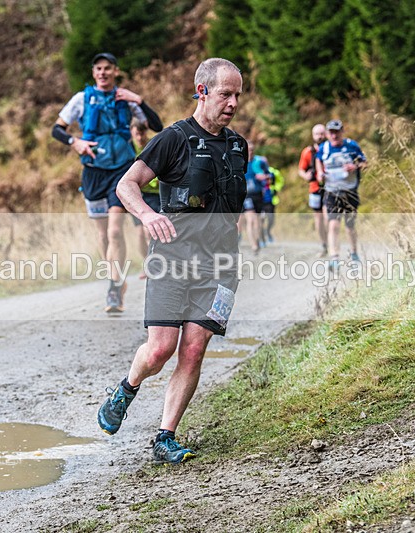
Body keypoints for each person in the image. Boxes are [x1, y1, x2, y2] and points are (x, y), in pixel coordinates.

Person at [97, 58, 247, 464]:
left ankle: (165, 436)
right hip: (173, 261)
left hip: (220, 266)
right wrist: (147, 214)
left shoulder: (238, 145)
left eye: (237, 94)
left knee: (194, 349)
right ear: (202, 91)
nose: (233, 103)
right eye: (225, 94)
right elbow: (126, 184)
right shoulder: (173, 139)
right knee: (161, 349)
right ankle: (127, 388)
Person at [51, 52, 162, 312]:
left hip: (121, 171)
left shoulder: (125, 99)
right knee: (103, 235)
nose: (103, 73)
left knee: (114, 231)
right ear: (93, 73)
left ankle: (114, 287)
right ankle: (115, 278)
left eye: (108, 68)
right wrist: (74, 142)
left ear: (115, 71)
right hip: (93, 171)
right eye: (98, 68)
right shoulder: (81, 99)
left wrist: (139, 100)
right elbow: (57, 129)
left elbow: (156, 125)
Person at [314, 119, 367, 269]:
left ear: (342, 131)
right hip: (331, 191)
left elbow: (364, 162)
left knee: (350, 226)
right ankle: (334, 257)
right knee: (333, 225)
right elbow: (318, 160)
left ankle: (354, 253)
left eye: (336, 132)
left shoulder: (351, 145)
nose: (334, 135)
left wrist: (354, 166)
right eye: (331, 132)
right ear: (327, 134)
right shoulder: (323, 148)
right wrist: (319, 173)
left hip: (350, 191)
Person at [129, 120, 162, 279]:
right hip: (136, 195)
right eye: (137, 134)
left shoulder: (152, 146)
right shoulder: (128, 149)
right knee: (140, 234)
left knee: (149, 231)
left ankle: (156, 264)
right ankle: (147, 263)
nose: (140, 138)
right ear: (132, 134)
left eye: (142, 134)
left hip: (153, 194)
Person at [298, 123, 328, 257]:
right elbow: (301, 170)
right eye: (317, 134)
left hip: (329, 188)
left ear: (326, 134)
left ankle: (331, 243)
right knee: (319, 220)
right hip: (314, 188)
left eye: (322, 133)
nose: (320, 136)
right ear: (313, 135)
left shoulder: (330, 149)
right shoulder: (307, 152)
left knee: (328, 217)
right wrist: (306, 176)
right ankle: (324, 245)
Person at [239, 142, 271, 254]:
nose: (250, 152)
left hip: (258, 194)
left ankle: (257, 241)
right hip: (246, 195)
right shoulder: (239, 162)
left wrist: (265, 177)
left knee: (258, 220)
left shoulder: (260, 162)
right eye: (248, 150)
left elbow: (270, 175)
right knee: (251, 219)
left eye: (252, 150)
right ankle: (253, 245)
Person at [260, 164, 284, 244]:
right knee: (261, 220)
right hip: (260, 201)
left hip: (270, 200)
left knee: (271, 219)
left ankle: (268, 232)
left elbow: (280, 181)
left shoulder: (273, 172)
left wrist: (276, 189)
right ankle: (262, 238)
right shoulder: (257, 171)